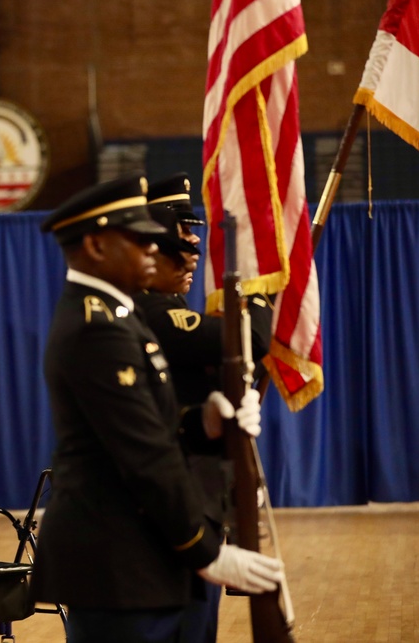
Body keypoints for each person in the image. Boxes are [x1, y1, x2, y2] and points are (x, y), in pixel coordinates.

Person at [30, 175, 283, 643]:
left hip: (140, 557)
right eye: (141, 239)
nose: (156, 249)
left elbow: (158, 428)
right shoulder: (96, 328)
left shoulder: (119, 315)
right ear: (96, 245)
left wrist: (205, 420)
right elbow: (145, 456)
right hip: (117, 563)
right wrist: (206, 552)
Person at [134, 173, 274, 642]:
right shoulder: (154, 310)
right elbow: (249, 341)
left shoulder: (166, 304)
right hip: (171, 506)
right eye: (181, 232)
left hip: (196, 497)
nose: (194, 245)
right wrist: (257, 290)